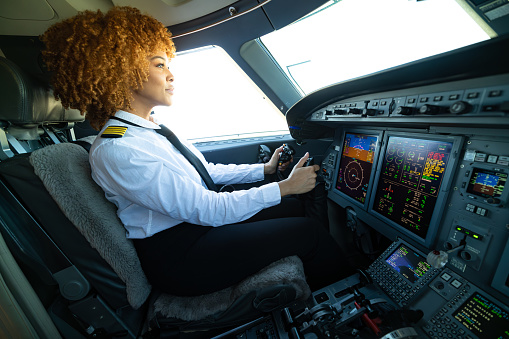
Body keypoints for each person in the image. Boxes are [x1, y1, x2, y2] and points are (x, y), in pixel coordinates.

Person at [41, 6, 348, 296]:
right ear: (120, 72)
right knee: (306, 231)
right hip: (181, 256)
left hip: (194, 228)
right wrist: (283, 186)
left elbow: (205, 172)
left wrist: (265, 171)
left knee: (293, 207)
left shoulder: (150, 129)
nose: (171, 75)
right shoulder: (117, 148)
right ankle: (350, 297)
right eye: (159, 65)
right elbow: (207, 208)